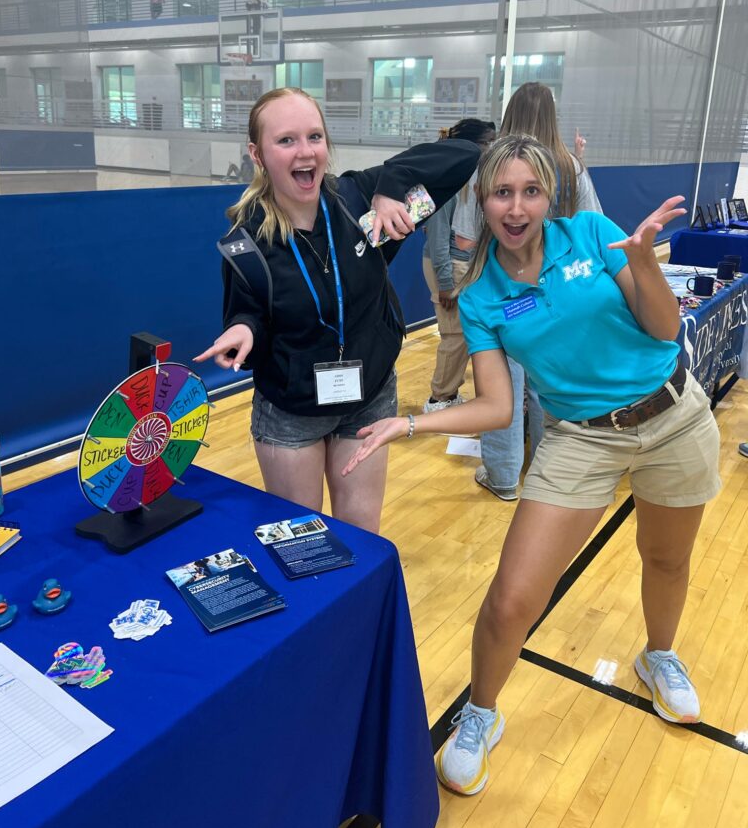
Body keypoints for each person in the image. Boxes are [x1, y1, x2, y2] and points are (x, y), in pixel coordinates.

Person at [342, 134, 722, 794]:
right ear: (481, 200)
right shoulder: (482, 297)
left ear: (549, 196)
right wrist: (410, 422)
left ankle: (659, 656)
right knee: (511, 598)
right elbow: (494, 406)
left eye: (530, 191)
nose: (516, 207)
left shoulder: (594, 235)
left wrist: (644, 264)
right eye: (501, 192)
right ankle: (481, 713)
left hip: (674, 417)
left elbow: (664, 330)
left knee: (666, 559)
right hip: (581, 439)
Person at [194, 87, 479, 533]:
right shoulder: (245, 242)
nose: (305, 151)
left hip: (368, 399)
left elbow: (465, 155)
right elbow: (247, 312)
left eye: (315, 137)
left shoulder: (361, 202)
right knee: (300, 544)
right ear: (258, 154)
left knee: (360, 537)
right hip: (293, 410)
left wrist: (391, 186)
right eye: (286, 140)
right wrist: (244, 330)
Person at [474, 82, 604, 499]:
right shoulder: (571, 167)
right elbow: (593, 223)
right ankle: (549, 470)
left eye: (532, 192)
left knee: (500, 387)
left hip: (503, 289)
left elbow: (466, 231)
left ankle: (504, 476)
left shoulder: (489, 167)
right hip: (559, 294)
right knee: (546, 382)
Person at [422, 119, 496, 413]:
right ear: (470, 145)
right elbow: (438, 236)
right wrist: (445, 283)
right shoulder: (448, 180)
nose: (492, 147)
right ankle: (439, 399)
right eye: (487, 142)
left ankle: (448, 394)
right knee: (454, 336)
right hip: (448, 266)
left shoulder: (471, 178)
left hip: (462, 265)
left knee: (462, 335)